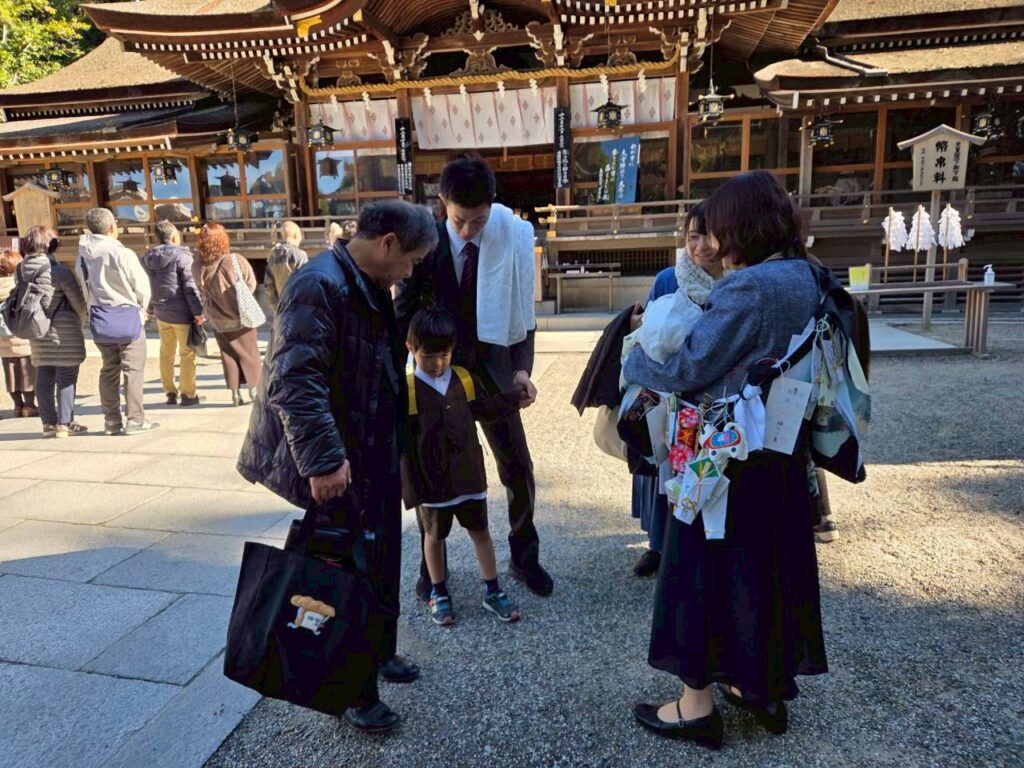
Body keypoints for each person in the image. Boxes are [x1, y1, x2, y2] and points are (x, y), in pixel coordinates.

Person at [625, 171, 828, 749]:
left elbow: (689, 366)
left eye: (718, 229)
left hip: (722, 456)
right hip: (778, 454)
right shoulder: (809, 275)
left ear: (743, 226)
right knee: (764, 570)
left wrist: (632, 353)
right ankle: (759, 686)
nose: (713, 242)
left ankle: (695, 707)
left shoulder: (749, 288)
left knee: (700, 569)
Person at [238, 199, 438, 734]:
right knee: (347, 573)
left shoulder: (367, 280)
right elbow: (294, 381)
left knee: (382, 561)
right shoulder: (318, 284)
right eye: (411, 260)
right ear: (388, 244)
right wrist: (324, 461)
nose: (410, 272)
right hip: (339, 457)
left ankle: (380, 651)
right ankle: (355, 690)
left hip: (372, 449)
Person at [396, 155, 552, 599]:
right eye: (459, 220)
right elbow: (402, 312)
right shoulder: (424, 245)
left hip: (494, 374)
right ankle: (432, 570)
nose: (468, 231)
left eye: (478, 221)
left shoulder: (510, 238)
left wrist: (521, 369)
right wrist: (395, 373)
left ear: (493, 207)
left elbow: (524, 313)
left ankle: (524, 558)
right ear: (442, 203)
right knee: (432, 471)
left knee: (518, 468)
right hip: (436, 376)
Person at [401, 307, 528, 626]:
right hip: (432, 483)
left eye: (444, 355)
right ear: (411, 349)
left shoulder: (464, 378)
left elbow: (486, 409)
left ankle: (493, 589)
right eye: (429, 356)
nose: (437, 363)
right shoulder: (408, 389)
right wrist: (411, 487)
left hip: (469, 476)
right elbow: (401, 442)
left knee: (481, 532)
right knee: (434, 536)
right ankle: (438, 591)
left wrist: (514, 399)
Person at [630, 202, 722, 577]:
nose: (701, 246)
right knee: (663, 470)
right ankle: (658, 544)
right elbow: (648, 332)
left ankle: (700, 549)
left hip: (714, 398)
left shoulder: (736, 283)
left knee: (706, 472)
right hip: (666, 396)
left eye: (710, 236)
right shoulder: (669, 279)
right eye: (693, 236)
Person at [77, 208, 156, 436]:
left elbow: (84, 287)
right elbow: (142, 287)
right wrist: (142, 310)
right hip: (126, 316)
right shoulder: (122, 253)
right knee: (133, 369)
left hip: (100, 317)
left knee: (109, 369)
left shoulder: (82, 255)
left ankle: (111, 420)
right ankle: (135, 419)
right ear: (112, 227)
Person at [16, 227, 88, 437]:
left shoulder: (20, 270)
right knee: (66, 375)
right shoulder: (58, 271)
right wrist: (80, 322)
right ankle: (65, 423)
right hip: (64, 331)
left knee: (44, 375)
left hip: (36, 329)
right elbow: (78, 302)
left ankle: (48, 424)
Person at [192, 223, 261, 406]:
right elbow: (251, 283)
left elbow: (199, 290)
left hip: (216, 318)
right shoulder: (235, 260)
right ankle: (254, 391)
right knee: (250, 354)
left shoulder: (197, 265)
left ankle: (235, 395)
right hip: (240, 315)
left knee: (228, 355)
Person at [141, 221, 204, 407]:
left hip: (161, 312)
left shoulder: (147, 258)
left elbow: (146, 286)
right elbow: (190, 287)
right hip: (182, 313)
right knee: (187, 354)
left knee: (166, 353)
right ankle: (188, 394)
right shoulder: (183, 257)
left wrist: (149, 308)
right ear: (174, 236)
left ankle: (169, 392)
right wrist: (198, 312)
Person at [0, 249, 38, 419]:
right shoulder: (19, 286)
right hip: (21, 337)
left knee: (10, 374)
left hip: (3, 340)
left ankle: (17, 406)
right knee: (27, 371)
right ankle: (29, 406)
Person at [264, 220, 308, 310]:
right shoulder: (300, 255)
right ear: (296, 235)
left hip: (281, 307)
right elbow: (306, 283)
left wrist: (276, 307)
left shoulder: (273, 256)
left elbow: (268, 286)